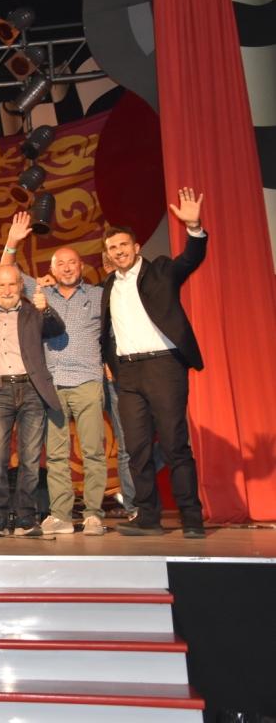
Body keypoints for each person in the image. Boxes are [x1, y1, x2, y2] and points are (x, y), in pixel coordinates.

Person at [102, 187, 208, 539]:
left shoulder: (160, 270)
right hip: (128, 373)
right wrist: (111, 364)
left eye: (123, 245)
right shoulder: (108, 285)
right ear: (108, 254)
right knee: (136, 449)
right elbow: (106, 331)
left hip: (164, 367)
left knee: (175, 444)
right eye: (112, 248)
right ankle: (148, 517)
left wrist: (194, 228)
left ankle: (192, 519)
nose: (119, 251)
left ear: (136, 247)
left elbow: (190, 259)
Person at [2, 211, 110, 536]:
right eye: (60, 263)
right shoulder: (42, 293)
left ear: (81, 267)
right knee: (57, 454)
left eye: (72, 263)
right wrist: (12, 242)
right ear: (51, 270)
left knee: (93, 451)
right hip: (52, 385)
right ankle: (61, 514)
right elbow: (9, 271)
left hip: (88, 381)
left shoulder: (98, 295)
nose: (66, 267)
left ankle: (93, 514)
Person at [0, 265, 64, 537]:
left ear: (20, 286)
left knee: (30, 459)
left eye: (12, 284)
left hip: (31, 390)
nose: (7, 290)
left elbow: (57, 329)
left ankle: (26, 520)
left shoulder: (33, 310)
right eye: (1, 285)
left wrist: (45, 309)